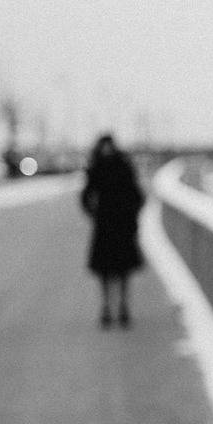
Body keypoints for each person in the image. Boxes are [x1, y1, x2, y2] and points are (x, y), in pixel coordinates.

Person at [80, 133, 145, 328]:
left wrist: (130, 215)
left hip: (119, 224)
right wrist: (94, 213)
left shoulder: (117, 166)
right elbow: (86, 196)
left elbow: (137, 195)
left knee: (120, 270)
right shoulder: (101, 168)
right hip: (108, 225)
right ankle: (108, 307)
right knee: (107, 270)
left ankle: (122, 307)